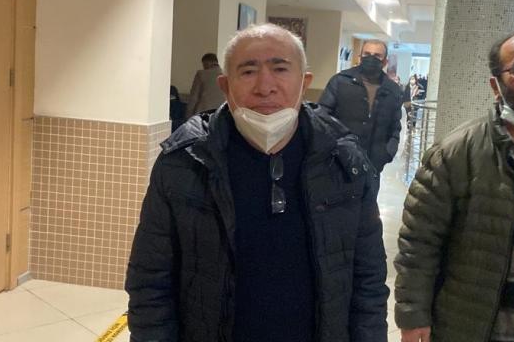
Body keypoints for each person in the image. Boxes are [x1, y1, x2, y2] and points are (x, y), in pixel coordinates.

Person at [125, 23, 388, 342]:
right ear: (225, 85)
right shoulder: (185, 162)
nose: (265, 87)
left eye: (280, 69)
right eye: (248, 71)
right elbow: (150, 279)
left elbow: (368, 279)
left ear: (304, 82)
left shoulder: (344, 162)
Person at [394, 27, 514, 342]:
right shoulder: (455, 154)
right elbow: (419, 243)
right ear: (496, 85)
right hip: (477, 329)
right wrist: (413, 317)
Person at [319, 39, 403, 196]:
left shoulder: (393, 90)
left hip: (372, 166)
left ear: (385, 61)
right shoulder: (340, 81)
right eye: (367, 54)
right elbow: (322, 118)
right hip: (338, 164)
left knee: (367, 208)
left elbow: (395, 128)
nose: (371, 58)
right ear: (360, 56)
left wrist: (387, 153)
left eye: (377, 56)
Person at [186, 53, 225, 117]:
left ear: (207, 62)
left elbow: (194, 98)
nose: (204, 67)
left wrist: (188, 115)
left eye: (203, 64)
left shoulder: (201, 74)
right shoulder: (226, 75)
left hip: (203, 113)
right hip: (221, 114)